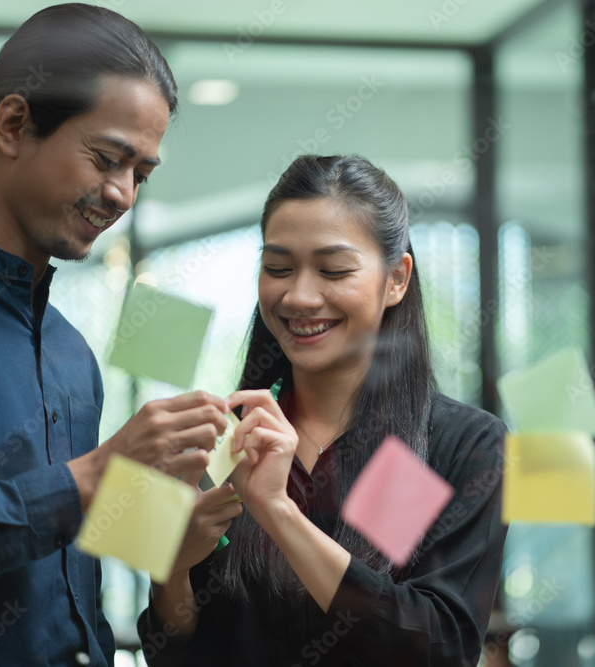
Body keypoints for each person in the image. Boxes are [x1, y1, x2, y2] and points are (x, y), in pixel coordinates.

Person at [0, 5, 232, 666]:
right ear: (13, 125)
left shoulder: (71, 350)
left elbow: (67, 586)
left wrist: (168, 526)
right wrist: (90, 478)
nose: (125, 193)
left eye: (143, 175)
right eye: (108, 158)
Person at [137, 154, 508, 666]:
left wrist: (278, 512)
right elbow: (176, 652)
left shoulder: (457, 444)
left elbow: (439, 647)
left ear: (396, 279)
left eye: (333, 270)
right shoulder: (224, 441)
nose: (299, 295)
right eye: (277, 268)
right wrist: (170, 569)